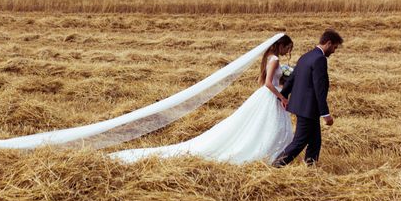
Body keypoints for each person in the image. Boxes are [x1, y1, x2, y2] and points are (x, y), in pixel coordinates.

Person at [110, 34, 296, 164]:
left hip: (264, 97)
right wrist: (282, 95)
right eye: (287, 48)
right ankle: (269, 154)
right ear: (280, 45)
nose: (288, 52)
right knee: (266, 126)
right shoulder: (275, 60)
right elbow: (267, 84)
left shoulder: (268, 58)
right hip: (270, 95)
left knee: (260, 125)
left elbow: (260, 80)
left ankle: (273, 153)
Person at [272, 29, 343, 167]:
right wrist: (326, 114)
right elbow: (319, 88)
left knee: (315, 140)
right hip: (308, 108)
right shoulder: (320, 59)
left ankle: (310, 168)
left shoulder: (306, 56)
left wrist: (284, 95)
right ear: (328, 43)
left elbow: (292, 78)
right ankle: (276, 165)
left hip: (303, 106)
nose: (334, 51)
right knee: (299, 141)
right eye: (334, 47)